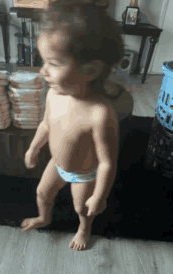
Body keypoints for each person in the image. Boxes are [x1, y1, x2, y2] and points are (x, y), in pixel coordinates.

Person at [21, 0, 134, 251]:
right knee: (42, 193)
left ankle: (84, 228)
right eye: (44, 62)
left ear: (91, 69)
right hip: (57, 163)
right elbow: (46, 125)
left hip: (84, 173)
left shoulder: (100, 114)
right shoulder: (53, 95)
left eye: (53, 63)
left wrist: (99, 196)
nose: (42, 71)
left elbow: (107, 162)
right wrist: (33, 148)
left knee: (81, 207)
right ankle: (44, 216)